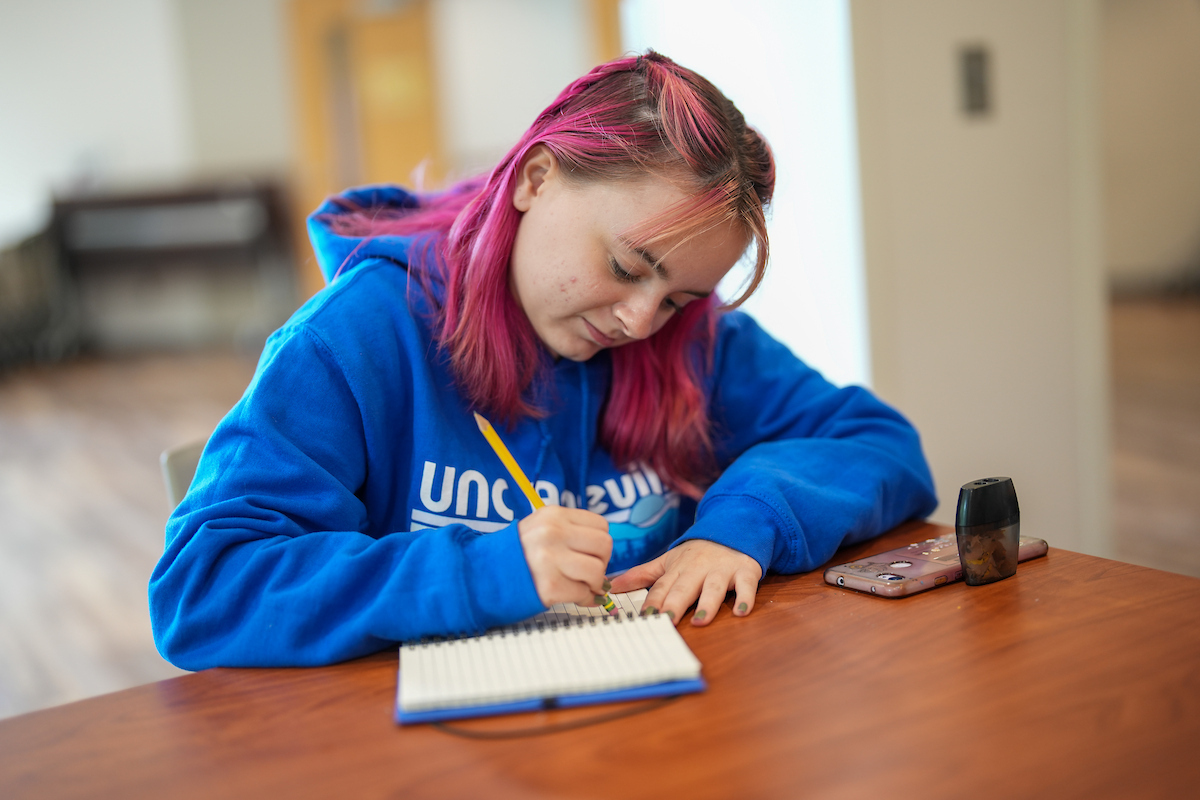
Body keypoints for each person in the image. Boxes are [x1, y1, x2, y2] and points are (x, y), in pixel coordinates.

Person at [150, 52, 936, 670]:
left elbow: (879, 443)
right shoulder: (353, 340)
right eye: (628, 267)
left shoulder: (691, 340)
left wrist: (746, 524)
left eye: (675, 297)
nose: (639, 321)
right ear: (535, 179)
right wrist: (481, 572)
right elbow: (204, 589)